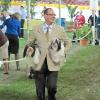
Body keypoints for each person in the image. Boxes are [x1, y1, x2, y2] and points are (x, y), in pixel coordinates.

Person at [28, 8, 71, 100]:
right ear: (45, 15)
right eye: (51, 14)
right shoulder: (36, 29)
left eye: (54, 15)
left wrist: (63, 52)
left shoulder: (60, 29)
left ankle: (52, 97)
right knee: (40, 88)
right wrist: (30, 47)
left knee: (52, 86)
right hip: (39, 62)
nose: (53, 16)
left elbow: (68, 43)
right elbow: (30, 42)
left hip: (54, 62)